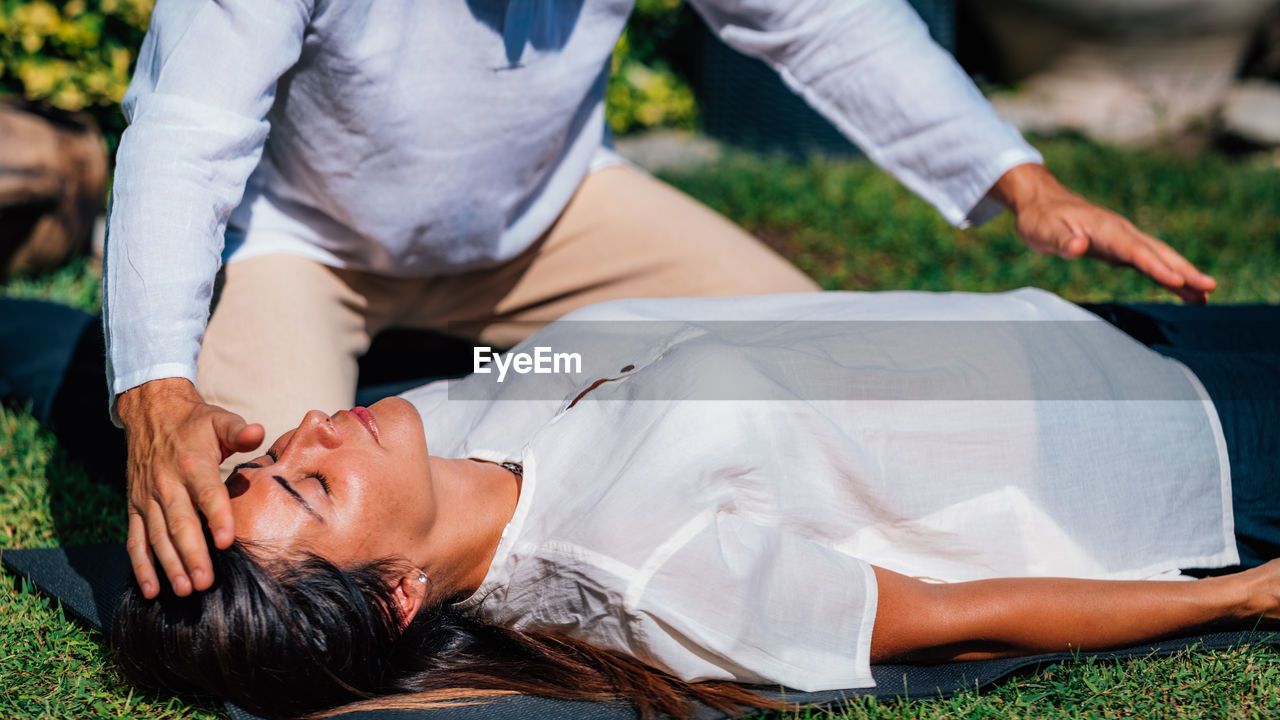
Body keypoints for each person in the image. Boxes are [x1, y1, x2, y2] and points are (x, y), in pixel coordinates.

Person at [107, 0, 1221, 606]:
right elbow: (186, 125)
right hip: (306, 245)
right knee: (243, 557)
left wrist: (1014, 178)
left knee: (832, 389)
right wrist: (154, 387)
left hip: (550, 217)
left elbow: (821, 21)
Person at [109, 288, 1279, 720]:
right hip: (1178, 438)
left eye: (269, 458)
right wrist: (1235, 600)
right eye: (311, 482)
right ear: (402, 593)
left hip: (1073, 327)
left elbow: (533, 373)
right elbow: (941, 616)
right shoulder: (637, 563)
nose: (316, 430)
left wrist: (191, 440)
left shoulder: (443, 432)